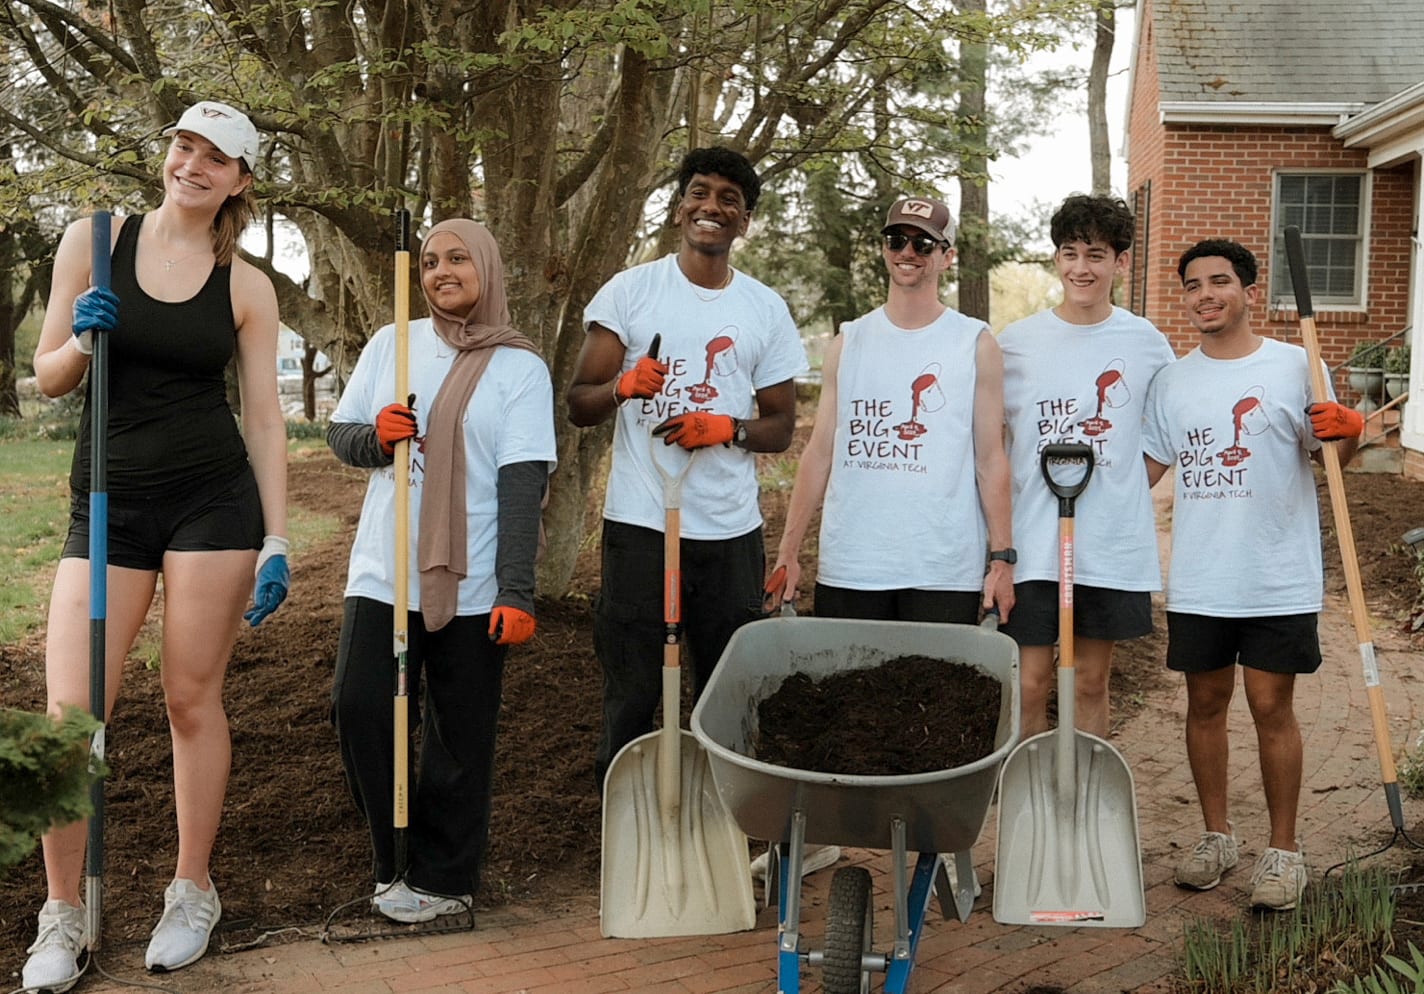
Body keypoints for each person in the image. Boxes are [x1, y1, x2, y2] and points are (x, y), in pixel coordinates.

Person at [22, 100, 288, 990]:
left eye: (216, 158)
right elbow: (48, 376)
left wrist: (277, 536)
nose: (192, 165)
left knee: (188, 698)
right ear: (166, 152)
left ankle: (191, 889)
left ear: (240, 181)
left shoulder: (246, 286)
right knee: (71, 718)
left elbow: (263, 417)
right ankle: (61, 913)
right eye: (184, 146)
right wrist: (83, 341)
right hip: (107, 502)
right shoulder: (94, 241)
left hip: (212, 503)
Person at [327, 218, 555, 923]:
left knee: (460, 735)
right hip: (384, 568)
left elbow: (522, 485)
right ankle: (392, 860)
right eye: (429, 261)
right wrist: (377, 437)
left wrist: (517, 590)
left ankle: (445, 878)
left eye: (458, 258)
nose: (441, 271)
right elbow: (341, 434)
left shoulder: (519, 367)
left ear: (487, 267)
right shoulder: (392, 344)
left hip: (475, 578)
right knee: (361, 708)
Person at [566, 146, 808, 789]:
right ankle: (625, 816)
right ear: (679, 209)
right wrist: (623, 386)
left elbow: (781, 425)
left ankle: (727, 815)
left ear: (744, 222)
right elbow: (579, 403)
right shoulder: (631, 292)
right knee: (632, 687)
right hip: (642, 526)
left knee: (727, 687)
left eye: (730, 200)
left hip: (728, 533)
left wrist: (727, 428)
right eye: (699, 193)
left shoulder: (764, 308)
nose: (712, 207)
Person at [1143, 238, 1362, 911]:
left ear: (1248, 292)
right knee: (1205, 705)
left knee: (1272, 707)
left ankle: (1283, 851)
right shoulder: (1172, 381)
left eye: (1219, 282)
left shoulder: (1296, 365)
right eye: (1192, 285)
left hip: (1276, 572)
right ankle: (1217, 837)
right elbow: (1145, 471)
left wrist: (1351, 431)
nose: (1204, 295)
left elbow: (1332, 459)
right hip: (1202, 575)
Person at [768, 195, 1014, 626]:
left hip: (941, 570)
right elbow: (819, 453)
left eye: (923, 244)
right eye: (896, 240)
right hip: (852, 566)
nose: (907, 252)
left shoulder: (975, 343)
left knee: (934, 673)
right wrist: (788, 550)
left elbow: (990, 460)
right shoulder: (849, 342)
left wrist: (1002, 559)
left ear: (947, 257)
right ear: (884, 249)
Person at [998, 194, 1175, 739]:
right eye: (1070, 253)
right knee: (1030, 682)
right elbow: (990, 440)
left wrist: (1122, 485)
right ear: (1056, 259)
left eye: (1096, 255)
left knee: (1092, 682)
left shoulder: (1145, 342)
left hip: (1109, 542)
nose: (1081, 268)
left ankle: (1084, 783)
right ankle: (1030, 780)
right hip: (1033, 540)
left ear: (1121, 262)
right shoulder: (1015, 344)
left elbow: (1168, 428)